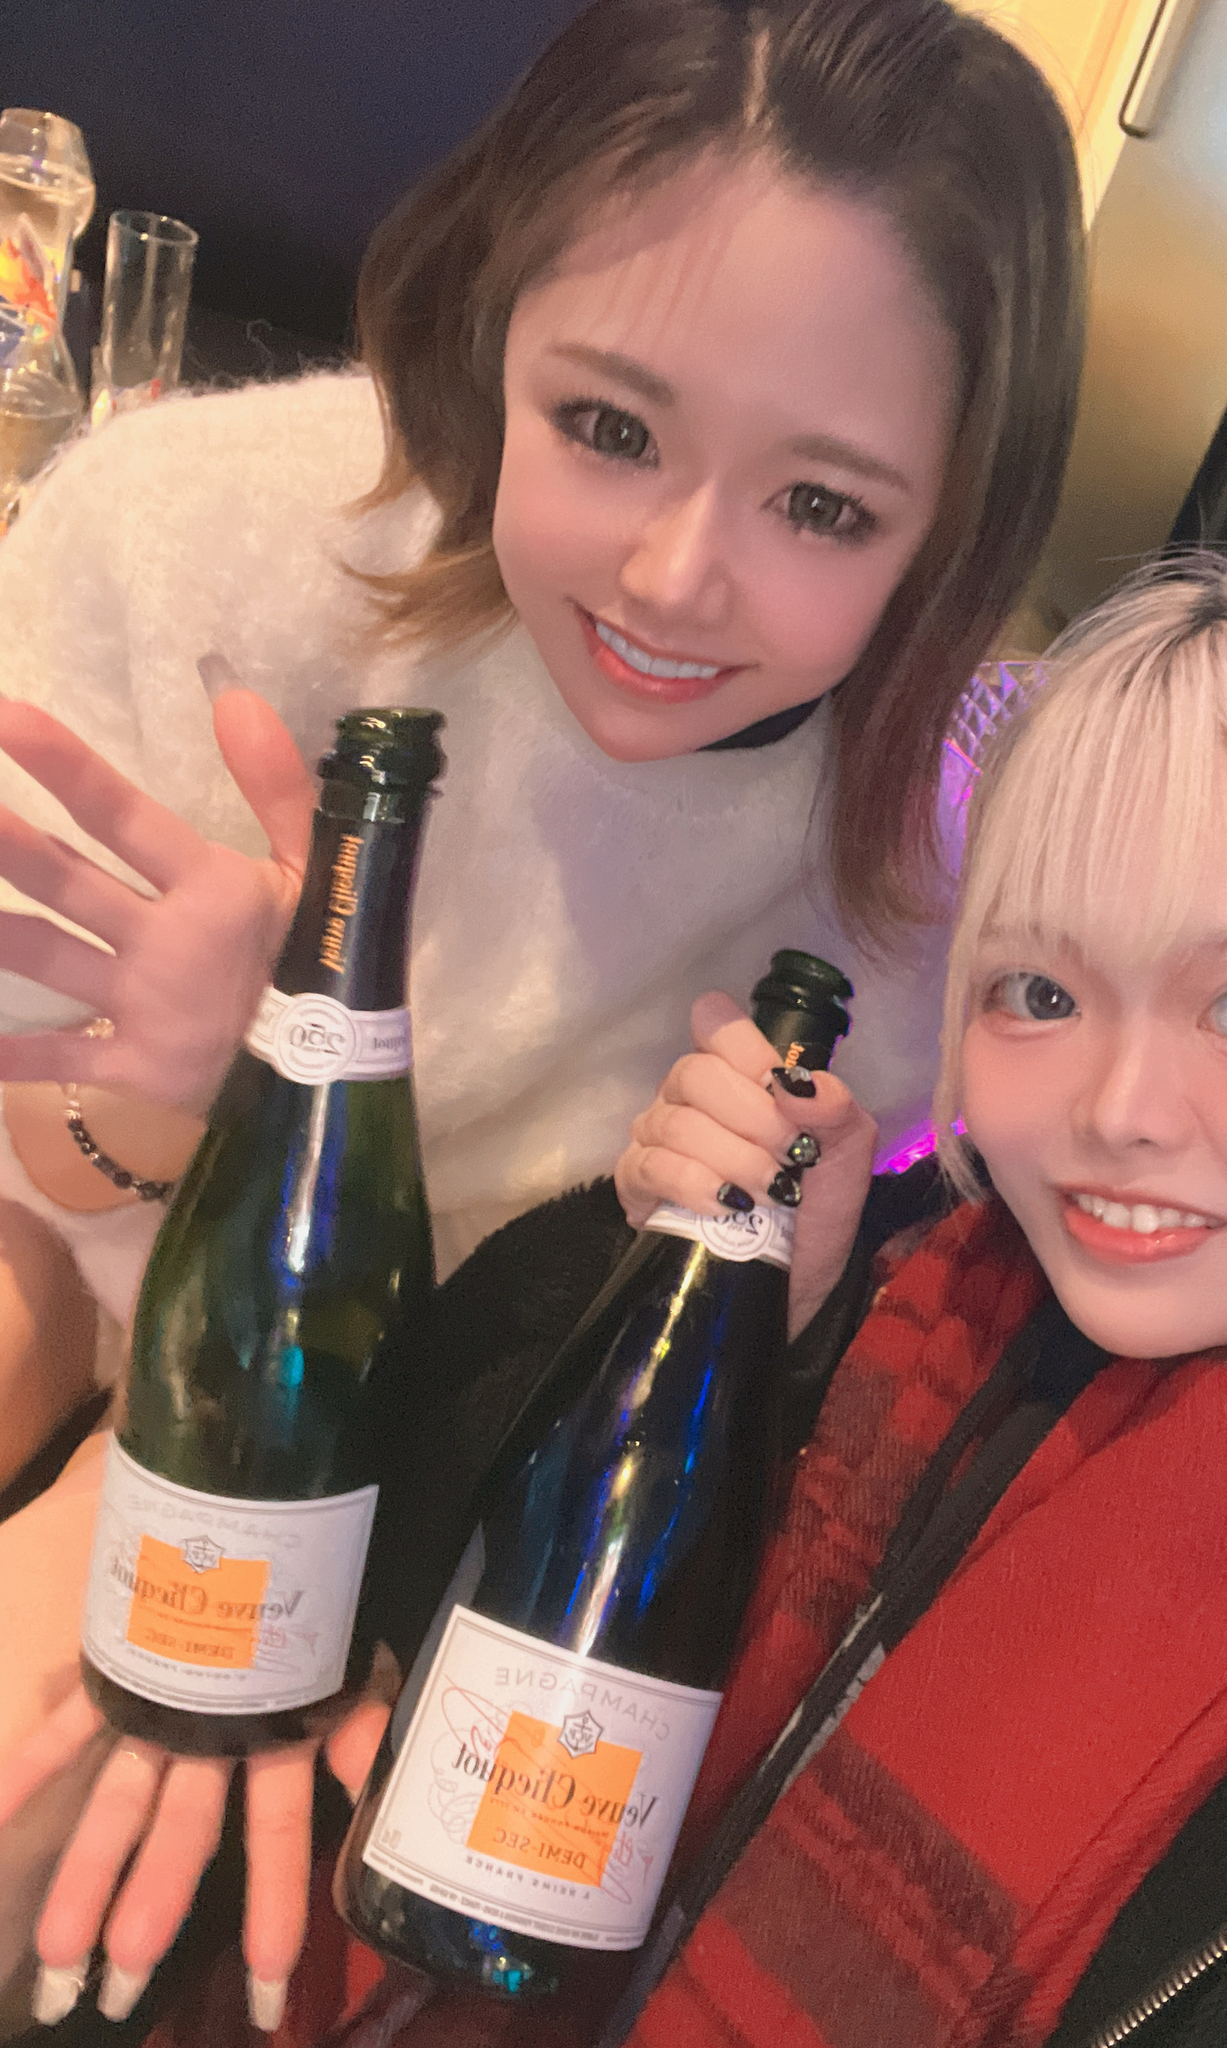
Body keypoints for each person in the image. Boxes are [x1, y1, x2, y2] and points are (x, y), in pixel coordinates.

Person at [0, 0, 1084, 2019]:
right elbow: (54, 1199)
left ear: (956, 523)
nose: (674, 577)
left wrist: (797, 1269)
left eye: (823, 508)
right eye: (608, 427)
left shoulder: (957, 881)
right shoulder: (207, 541)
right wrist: (170, 1106)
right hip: (101, 1282)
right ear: (495, 318)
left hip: (411, 1474)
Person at [79, 557, 1227, 2048]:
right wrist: (753, 1335)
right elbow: (430, 1559)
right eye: (1040, 993)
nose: (1116, 1111)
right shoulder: (920, 1284)